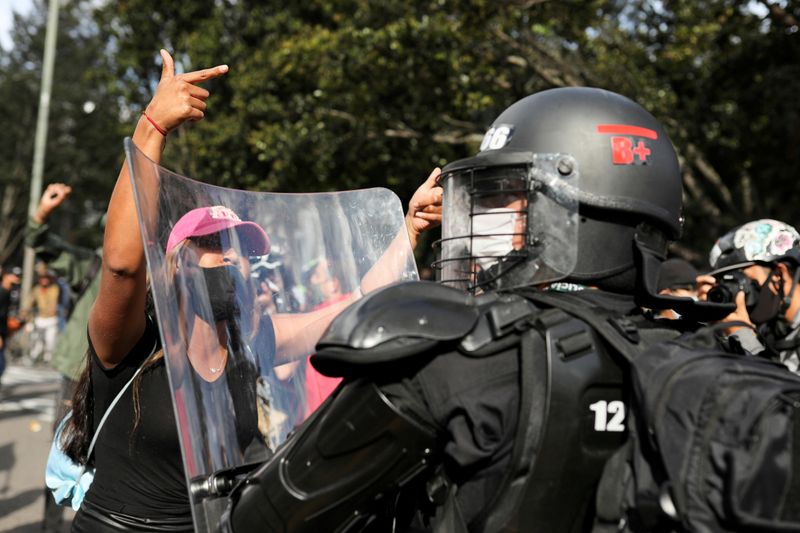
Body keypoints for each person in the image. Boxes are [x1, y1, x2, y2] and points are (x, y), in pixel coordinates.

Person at [222, 87, 727, 532]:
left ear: (573, 209)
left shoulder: (456, 357)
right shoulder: (712, 361)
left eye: (506, 196)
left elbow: (263, 518)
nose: (475, 214)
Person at [59, 49, 442, 531]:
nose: (234, 258)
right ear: (176, 263)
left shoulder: (249, 343)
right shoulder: (132, 343)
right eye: (217, 245)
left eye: (242, 248)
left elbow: (353, 307)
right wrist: (151, 128)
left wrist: (407, 230)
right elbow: (120, 267)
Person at [25, 182, 104, 532]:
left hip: (124, 379)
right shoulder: (93, 264)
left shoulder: (159, 274)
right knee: (65, 455)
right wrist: (43, 212)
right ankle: (51, 527)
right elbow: (41, 243)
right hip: (77, 371)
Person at [700, 218, 800, 373]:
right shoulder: (772, 331)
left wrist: (745, 339)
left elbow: (785, 394)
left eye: (742, 280)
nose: (738, 292)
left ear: (779, 275)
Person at [22, 264, 61, 365]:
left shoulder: (54, 288)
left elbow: (54, 302)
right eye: (42, 279)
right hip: (40, 319)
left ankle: (48, 357)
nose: (44, 281)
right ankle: (33, 357)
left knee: (50, 340)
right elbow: (29, 302)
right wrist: (26, 315)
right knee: (37, 340)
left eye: (46, 279)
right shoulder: (36, 289)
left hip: (52, 318)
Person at [0, 267, 21, 384]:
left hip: (4, 332)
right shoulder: (2, 292)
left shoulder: (10, 293)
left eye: (18, 276)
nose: (16, 279)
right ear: (6, 276)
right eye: (13, 276)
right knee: (1, 364)